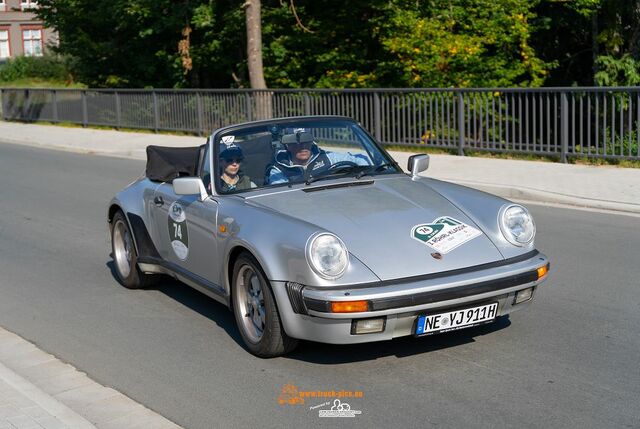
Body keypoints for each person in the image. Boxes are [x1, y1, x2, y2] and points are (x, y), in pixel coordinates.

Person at [266, 130, 370, 184]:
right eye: (297, 143)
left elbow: (359, 158)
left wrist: (365, 176)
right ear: (288, 146)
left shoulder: (327, 157)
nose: (303, 147)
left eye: (307, 141)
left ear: (312, 143)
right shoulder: (278, 171)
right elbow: (282, 198)